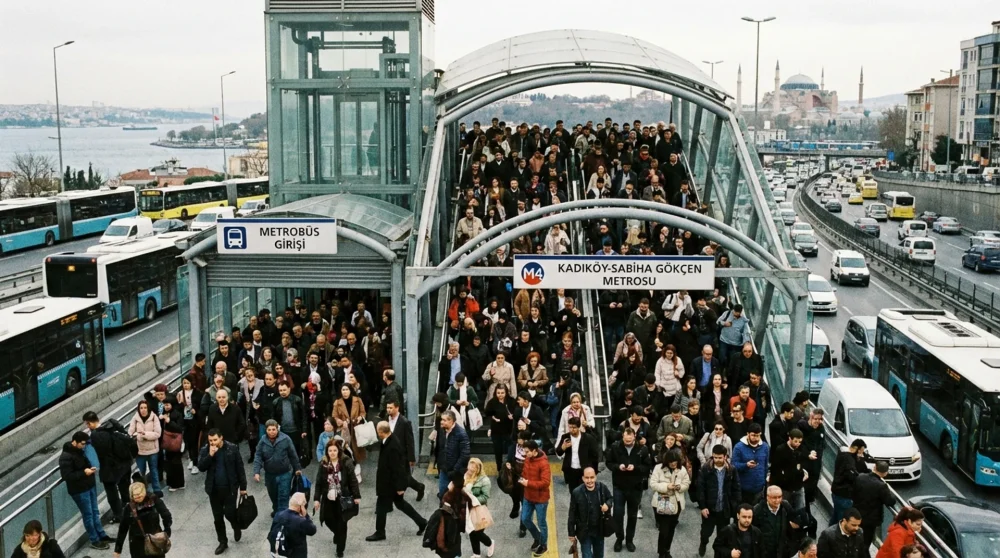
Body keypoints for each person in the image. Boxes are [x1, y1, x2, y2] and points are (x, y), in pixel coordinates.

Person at [368, 421, 427, 541]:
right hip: (390, 482)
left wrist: (400, 487)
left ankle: (380, 532)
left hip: (389, 484)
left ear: (381, 432)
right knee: (401, 504)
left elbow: (398, 468)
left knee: (381, 507)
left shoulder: (393, 445)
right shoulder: (390, 440)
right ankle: (421, 522)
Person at [197, 428, 248, 555]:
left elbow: (240, 468)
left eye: (215, 440)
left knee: (229, 513)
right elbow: (201, 467)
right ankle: (222, 541)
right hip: (214, 490)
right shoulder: (205, 450)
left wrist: (243, 487)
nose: (213, 443)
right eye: (210, 440)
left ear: (221, 438)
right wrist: (210, 455)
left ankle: (235, 525)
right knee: (217, 517)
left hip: (230, 488)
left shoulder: (232, 448)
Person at [59, 432, 111, 550]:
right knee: (88, 514)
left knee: (94, 511)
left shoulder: (80, 451)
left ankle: (101, 534)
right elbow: (67, 476)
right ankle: (94, 539)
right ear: (75, 442)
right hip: (79, 490)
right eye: (82, 444)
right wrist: (84, 472)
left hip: (89, 485)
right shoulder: (66, 456)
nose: (84, 446)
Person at [82, 411, 134, 523]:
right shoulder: (111, 425)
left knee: (112, 493)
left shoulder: (96, 435)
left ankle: (119, 515)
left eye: (87, 424)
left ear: (89, 423)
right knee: (125, 487)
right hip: (125, 462)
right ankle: (130, 510)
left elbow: (101, 452)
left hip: (110, 468)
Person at [606, 427, 651, 553]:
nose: (627, 442)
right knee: (618, 515)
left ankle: (630, 540)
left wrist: (636, 468)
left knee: (632, 515)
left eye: (630, 441)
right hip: (619, 486)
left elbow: (647, 466)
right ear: (622, 437)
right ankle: (619, 538)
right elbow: (608, 462)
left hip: (635, 487)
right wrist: (617, 466)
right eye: (625, 440)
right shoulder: (615, 447)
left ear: (634, 437)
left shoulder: (642, 449)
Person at [313, 438, 361, 557]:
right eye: (330, 450)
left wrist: (356, 496)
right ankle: (337, 534)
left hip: (342, 497)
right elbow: (318, 482)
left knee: (342, 522)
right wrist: (316, 499)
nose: (332, 453)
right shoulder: (323, 463)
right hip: (328, 498)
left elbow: (353, 480)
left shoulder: (346, 462)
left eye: (335, 450)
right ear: (327, 452)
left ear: (338, 451)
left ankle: (340, 550)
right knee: (328, 519)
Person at [696, 444, 742, 557]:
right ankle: (703, 543)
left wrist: (735, 505)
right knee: (706, 532)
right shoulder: (706, 469)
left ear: (725, 457)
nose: (717, 460)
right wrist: (703, 506)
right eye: (715, 457)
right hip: (710, 509)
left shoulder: (731, 470)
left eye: (719, 457)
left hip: (724, 509)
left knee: (722, 535)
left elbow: (736, 488)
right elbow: (700, 489)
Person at [254, 419, 303, 517]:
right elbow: (258, 456)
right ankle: (277, 510)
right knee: (273, 496)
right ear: (266, 430)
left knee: (283, 497)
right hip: (270, 475)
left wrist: (297, 468)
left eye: (273, 429)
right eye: (269, 430)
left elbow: (293, 454)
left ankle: (283, 517)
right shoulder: (262, 441)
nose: (271, 432)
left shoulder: (286, 439)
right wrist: (256, 472)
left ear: (277, 429)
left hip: (284, 473)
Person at [113, 481, 172, 558]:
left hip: (138, 543)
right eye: (136, 495)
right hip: (154, 540)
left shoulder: (129, 508)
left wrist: (117, 550)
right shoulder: (154, 500)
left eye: (139, 494)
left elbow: (123, 529)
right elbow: (166, 515)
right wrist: (166, 531)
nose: (138, 496)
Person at [649, 449, 690, 558]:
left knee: (671, 528)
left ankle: (667, 550)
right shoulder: (658, 468)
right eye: (671, 462)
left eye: (675, 462)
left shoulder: (682, 470)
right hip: (661, 501)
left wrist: (679, 487)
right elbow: (653, 484)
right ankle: (661, 552)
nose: (673, 464)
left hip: (676, 503)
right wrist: (666, 486)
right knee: (663, 530)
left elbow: (687, 483)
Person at [567, 466, 612, 558]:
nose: (589, 480)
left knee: (599, 555)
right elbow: (572, 513)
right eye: (587, 478)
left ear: (595, 477)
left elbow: (610, 498)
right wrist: (571, 532)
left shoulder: (602, 488)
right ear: (583, 478)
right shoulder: (576, 492)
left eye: (592, 477)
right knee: (586, 555)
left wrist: (607, 505)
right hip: (584, 532)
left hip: (599, 530)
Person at [386, 399, 426, 500]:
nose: (388, 410)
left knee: (404, 477)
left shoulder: (404, 422)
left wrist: (411, 458)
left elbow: (410, 442)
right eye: (387, 408)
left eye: (391, 408)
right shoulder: (386, 419)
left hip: (401, 456)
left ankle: (418, 487)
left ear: (397, 408)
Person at [852, 461, 895, 550]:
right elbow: (890, 501)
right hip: (870, 520)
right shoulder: (882, 486)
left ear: (874, 467)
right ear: (885, 473)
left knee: (853, 537)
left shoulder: (860, 477)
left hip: (856, 513)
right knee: (866, 541)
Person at [520, 440, 551, 556]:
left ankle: (543, 544)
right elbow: (525, 472)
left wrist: (528, 483)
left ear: (534, 451)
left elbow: (546, 482)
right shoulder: (528, 458)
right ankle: (537, 537)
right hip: (528, 496)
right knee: (525, 519)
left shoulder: (543, 463)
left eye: (527, 451)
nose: (525, 453)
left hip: (541, 499)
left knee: (541, 523)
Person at [752, 486, 803, 558]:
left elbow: (797, 521)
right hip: (764, 551)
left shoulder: (785, 506)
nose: (777, 500)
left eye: (779, 497)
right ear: (767, 497)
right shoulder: (758, 510)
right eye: (774, 498)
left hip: (781, 550)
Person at [332, 384, 367, 482]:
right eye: (343, 390)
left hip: (356, 429)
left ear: (350, 390)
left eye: (346, 389)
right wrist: (341, 422)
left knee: (355, 451)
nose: (345, 392)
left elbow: (363, 412)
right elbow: (334, 416)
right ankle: (345, 473)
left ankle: (357, 472)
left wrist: (360, 418)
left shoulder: (357, 400)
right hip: (344, 430)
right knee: (345, 451)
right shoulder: (337, 402)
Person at [435, 410, 472, 501]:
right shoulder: (442, 430)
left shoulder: (461, 434)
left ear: (451, 421)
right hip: (444, 469)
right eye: (441, 420)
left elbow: (465, 454)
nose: (441, 422)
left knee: (457, 496)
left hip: (457, 472)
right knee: (443, 493)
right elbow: (440, 449)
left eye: (444, 420)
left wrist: (455, 469)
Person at [830, 438, 868, 525]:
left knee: (836, 516)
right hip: (844, 494)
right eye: (861, 451)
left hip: (836, 491)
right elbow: (853, 476)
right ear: (856, 449)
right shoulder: (849, 461)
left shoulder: (842, 455)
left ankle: (829, 534)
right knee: (842, 520)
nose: (862, 454)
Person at [463, 458, 495, 558]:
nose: (470, 470)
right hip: (467, 509)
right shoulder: (465, 476)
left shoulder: (484, 480)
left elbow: (485, 497)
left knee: (477, 532)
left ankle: (490, 543)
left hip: (478, 509)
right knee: (472, 532)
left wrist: (472, 499)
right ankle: (476, 554)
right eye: (469, 466)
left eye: (473, 468)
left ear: (478, 469)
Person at [268, 492, 317, 558]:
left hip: (278, 553)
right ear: (301, 506)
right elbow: (312, 530)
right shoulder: (301, 521)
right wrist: (306, 515)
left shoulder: (278, 514)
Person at [769, 429, 808, 510]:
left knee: (800, 509)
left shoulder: (801, 448)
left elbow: (802, 462)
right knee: (784, 509)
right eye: (795, 441)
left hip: (798, 486)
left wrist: (803, 471)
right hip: (785, 487)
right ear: (790, 439)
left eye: (800, 442)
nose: (798, 444)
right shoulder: (781, 450)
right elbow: (775, 469)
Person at [732, 423, 769, 505]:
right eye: (753, 435)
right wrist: (746, 465)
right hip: (743, 488)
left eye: (758, 435)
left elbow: (765, 466)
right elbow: (733, 465)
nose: (756, 438)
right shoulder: (738, 447)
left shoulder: (765, 447)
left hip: (759, 488)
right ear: (748, 434)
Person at [176, 376, 205, 474]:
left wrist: (195, 411)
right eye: (184, 383)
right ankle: (192, 460)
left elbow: (202, 407)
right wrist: (179, 403)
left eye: (188, 383)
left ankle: (196, 463)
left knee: (195, 442)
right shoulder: (180, 394)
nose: (186, 385)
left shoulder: (198, 393)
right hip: (185, 421)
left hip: (195, 421)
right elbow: (178, 409)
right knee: (188, 441)